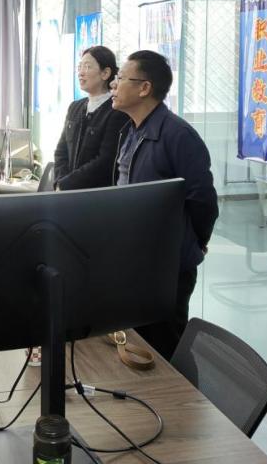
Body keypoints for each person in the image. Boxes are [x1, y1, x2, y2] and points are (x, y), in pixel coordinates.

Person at [110, 49, 218, 359]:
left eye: (121, 78)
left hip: (167, 264)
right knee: (139, 340)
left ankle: (180, 392)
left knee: (165, 345)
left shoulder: (177, 135)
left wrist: (194, 241)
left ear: (144, 88)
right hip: (135, 256)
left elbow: (203, 199)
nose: (114, 85)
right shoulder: (131, 130)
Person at [53, 45, 130, 189]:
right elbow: (61, 151)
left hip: (96, 194)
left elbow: (105, 161)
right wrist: (60, 182)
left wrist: (68, 184)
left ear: (105, 73)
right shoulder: (75, 107)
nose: (81, 73)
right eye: (79, 67)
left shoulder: (116, 111)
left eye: (87, 67)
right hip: (67, 192)